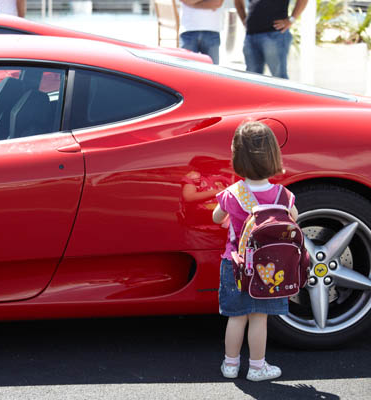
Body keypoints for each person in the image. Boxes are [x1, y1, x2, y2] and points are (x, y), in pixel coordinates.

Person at [212, 120, 298, 381]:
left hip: (235, 264)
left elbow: (217, 218)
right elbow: (294, 220)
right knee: (259, 318)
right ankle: (257, 368)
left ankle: (230, 365)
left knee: (236, 318)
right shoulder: (282, 196)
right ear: (273, 155)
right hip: (268, 268)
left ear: (237, 156)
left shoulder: (232, 194)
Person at [234, 0, 308, 79]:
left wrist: (291, 20)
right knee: (252, 79)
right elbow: (238, 1)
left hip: (275, 34)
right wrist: (244, 20)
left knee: (279, 78)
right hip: (251, 35)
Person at [177, 0, 224, 64]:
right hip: (188, 30)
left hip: (212, 31)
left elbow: (217, 2)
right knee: (187, 71)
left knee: (212, 72)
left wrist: (192, 3)